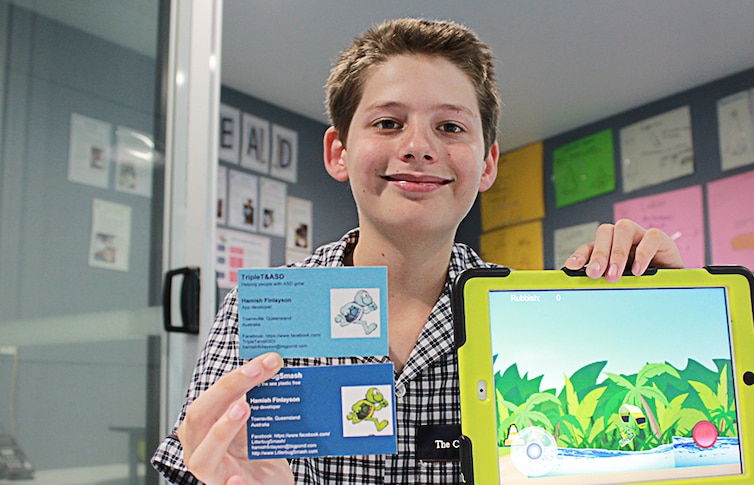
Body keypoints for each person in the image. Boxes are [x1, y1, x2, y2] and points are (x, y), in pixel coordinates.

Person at [151, 17, 683, 484]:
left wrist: (671, 306)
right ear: (339, 152)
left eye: (450, 127)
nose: (419, 146)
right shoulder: (257, 315)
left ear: (488, 164)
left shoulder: (538, 316)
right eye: (388, 122)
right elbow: (195, 468)